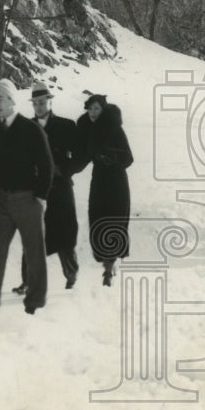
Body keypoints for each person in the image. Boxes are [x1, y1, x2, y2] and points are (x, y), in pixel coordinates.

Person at [0, 79, 53, 326]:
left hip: (28, 200)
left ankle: (35, 301)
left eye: (1, 99)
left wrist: (40, 197)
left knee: (34, 253)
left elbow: (46, 165)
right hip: (1, 202)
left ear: (12, 101)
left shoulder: (31, 130)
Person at [12, 83, 80, 295]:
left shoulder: (67, 126)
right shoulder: (25, 128)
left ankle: (71, 273)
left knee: (65, 232)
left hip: (61, 187)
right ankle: (28, 281)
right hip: (36, 188)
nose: (39, 106)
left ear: (50, 102)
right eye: (36, 103)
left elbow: (80, 156)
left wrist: (64, 170)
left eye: (43, 102)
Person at [73, 95, 133, 286]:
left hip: (116, 182)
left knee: (114, 221)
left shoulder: (115, 127)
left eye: (96, 109)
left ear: (103, 110)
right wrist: (65, 170)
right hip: (99, 180)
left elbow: (128, 158)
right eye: (90, 109)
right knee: (98, 219)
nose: (92, 113)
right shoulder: (87, 129)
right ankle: (106, 263)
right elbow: (81, 156)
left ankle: (109, 268)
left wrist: (111, 158)